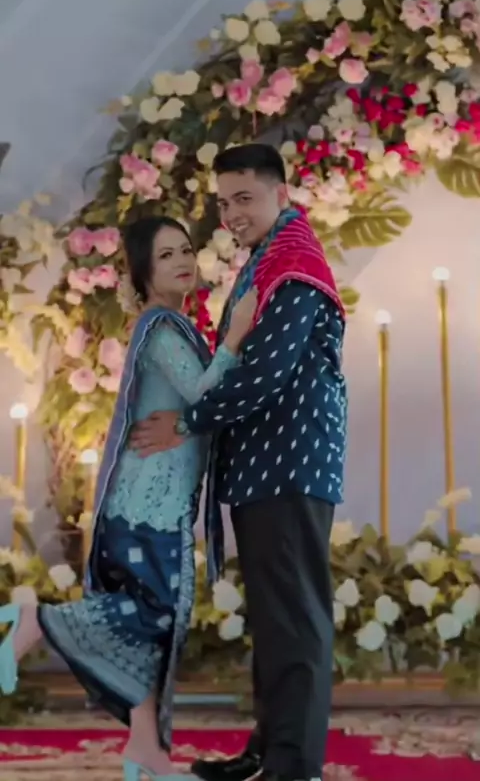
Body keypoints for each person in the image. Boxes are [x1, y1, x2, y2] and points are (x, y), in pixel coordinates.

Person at [0, 215, 257, 781]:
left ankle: (147, 751)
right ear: (142, 273)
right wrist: (236, 335)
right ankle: (38, 619)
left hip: (149, 506)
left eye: (185, 250)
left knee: (154, 635)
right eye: (166, 256)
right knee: (155, 617)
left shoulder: (176, 327)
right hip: (147, 508)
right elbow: (206, 393)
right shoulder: (162, 330)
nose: (182, 261)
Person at [129, 144, 348, 781]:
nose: (231, 215)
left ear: (282, 193)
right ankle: (268, 752)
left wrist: (187, 423)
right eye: (224, 203)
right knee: (276, 619)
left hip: (288, 464)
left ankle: (292, 767)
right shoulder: (271, 257)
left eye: (244, 198)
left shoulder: (294, 266)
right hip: (268, 465)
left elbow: (266, 373)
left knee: (295, 619)